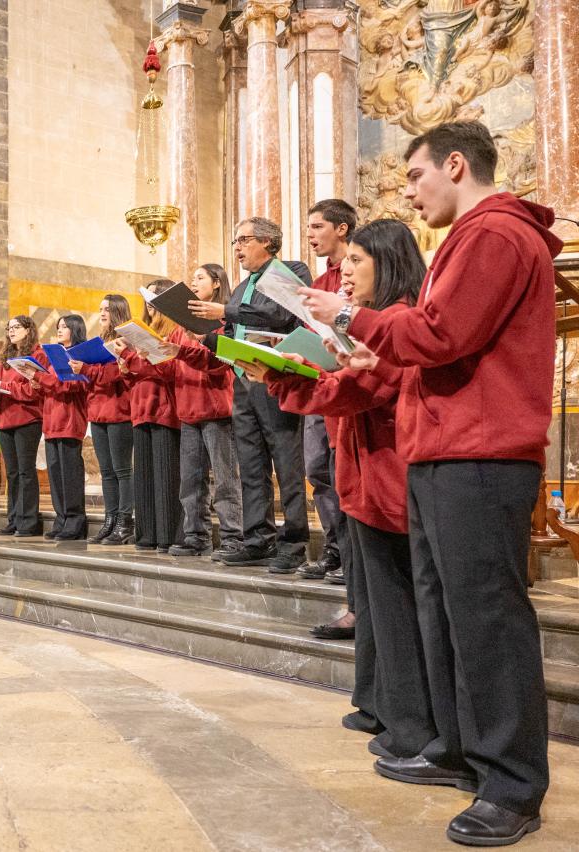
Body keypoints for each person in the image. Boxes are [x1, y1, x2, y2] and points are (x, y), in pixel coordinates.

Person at [302, 120, 558, 847]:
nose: (409, 193)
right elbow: (434, 349)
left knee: (487, 620)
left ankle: (511, 783)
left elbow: (444, 336)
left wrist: (352, 315)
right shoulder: (469, 241)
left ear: (454, 164)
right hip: (443, 450)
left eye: (415, 177)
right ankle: (456, 746)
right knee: (446, 615)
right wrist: (367, 360)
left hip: (481, 453)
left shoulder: (496, 235)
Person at [251, 218, 431, 767]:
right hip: (364, 475)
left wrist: (283, 375)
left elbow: (357, 391)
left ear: (390, 262)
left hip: (389, 477)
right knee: (373, 602)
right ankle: (379, 704)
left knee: (396, 605)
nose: (344, 273)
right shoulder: (379, 323)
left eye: (355, 261)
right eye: (345, 262)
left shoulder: (398, 320)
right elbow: (346, 383)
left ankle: (411, 724)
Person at [190, 218, 313, 571]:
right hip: (243, 380)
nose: (237, 247)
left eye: (243, 240)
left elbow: (279, 313)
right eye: (236, 240)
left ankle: (295, 541)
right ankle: (258, 538)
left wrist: (224, 310)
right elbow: (234, 330)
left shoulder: (291, 270)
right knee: (252, 464)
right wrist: (206, 336)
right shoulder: (244, 284)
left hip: (276, 379)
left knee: (287, 463)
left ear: (267, 241)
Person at [161, 266, 243, 558]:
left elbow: (219, 362)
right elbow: (175, 365)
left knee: (225, 479)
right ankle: (196, 535)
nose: (193, 283)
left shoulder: (223, 323)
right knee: (191, 481)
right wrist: (152, 353)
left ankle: (234, 536)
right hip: (189, 409)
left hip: (217, 408)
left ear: (216, 284)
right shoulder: (181, 326)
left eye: (200, 278)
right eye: (192, 279)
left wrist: (181, 352)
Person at [302, 199, 355, 581]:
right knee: (318, 469)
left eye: (318, 227)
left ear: (342, 229)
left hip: (348, 384)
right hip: (317, 382)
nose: (310, 235)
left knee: (343, 472)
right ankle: (334, 547)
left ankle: (349, 553)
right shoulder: (318, 284)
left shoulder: (356, 273)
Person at [119, 283, 181, 552]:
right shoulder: (144, 332)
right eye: (147, 298)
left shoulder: (175, 330)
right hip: (141, 407)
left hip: (165, 408)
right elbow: (135, 374)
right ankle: (146, 534)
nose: (150, 304)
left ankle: (167, 534)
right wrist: (126, 364)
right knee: (143, 474)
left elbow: (169, 371)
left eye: (155, 297)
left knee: (165, 475)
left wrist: (135, 362)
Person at [75, 295, 135, 545]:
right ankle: (110, 520)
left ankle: (125, 521)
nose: (102, 313)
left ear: (118, 311)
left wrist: (86, 370)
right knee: (107, 472)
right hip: (98, 411)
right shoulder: (99, 341)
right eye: (100, 309)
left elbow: (113, 374)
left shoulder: (125, 340)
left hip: (119, 410)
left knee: (122, 470)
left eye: (107, 309)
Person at [33, 315, 90, 541]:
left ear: (75, 329)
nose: (60, 330)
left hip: (70, 421)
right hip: (51, 421)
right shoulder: (53, 355)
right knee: (55, 475)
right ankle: (61, 519)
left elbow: (70, 385)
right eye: (58, 326)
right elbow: (50, 386)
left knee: (70, 475)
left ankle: (75, 521)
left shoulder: (80, 355)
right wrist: (36, 381)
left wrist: (42, 378)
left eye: (65, 327)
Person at [0, 316, 44, 537]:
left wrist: (4, 386)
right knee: (12, 473)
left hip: (27, 419)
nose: (11, 331)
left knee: (26, 471)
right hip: (4, 420)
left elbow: (34, 390)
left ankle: (28, 521)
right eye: (9, 328)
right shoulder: (5, 357)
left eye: (16, 327)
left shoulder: (37, 354)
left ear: (28, 329)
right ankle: (13, 518)